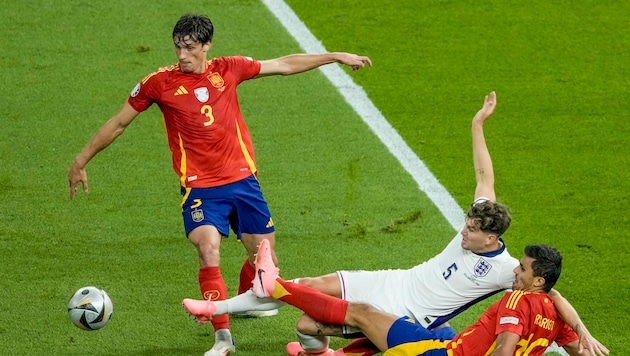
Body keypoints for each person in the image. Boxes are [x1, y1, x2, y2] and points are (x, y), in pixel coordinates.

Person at [181, 92, 607, 356]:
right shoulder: (482, 219)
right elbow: (484, 176)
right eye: (466, 222)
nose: (464, 231)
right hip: (394, 280)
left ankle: (258, 320)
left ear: (492, 238)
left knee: (306, 322)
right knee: (309, 282)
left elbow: (554, 296)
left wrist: (583, 330)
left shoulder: (505, 269)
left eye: (472, 231)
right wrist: (477, 124)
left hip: (407, 313)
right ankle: (223, 308)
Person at [67, 13, 372, 356]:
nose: (182, 55)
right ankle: (222, 337)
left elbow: (284, 64)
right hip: (200, 188)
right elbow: (119, 122)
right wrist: (81, 160)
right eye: (178, 47)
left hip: (243, 182)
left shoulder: (229, 68)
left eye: (190, 47)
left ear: (207, 45)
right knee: (208, 249)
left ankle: (251, 297)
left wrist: (335, 56)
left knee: (265, 260)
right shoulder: (159, 83)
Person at [185, 239, 609, 356]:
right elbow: (579, 348)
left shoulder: (517, 300)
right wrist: (584, 330)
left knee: (364, 315)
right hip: (443, 342)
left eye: (523, 270)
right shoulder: (555, 314)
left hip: (436, 355)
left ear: (537, 282)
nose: (515, 271)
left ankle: (275, 286)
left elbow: (504, 348)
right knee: (436, 328)